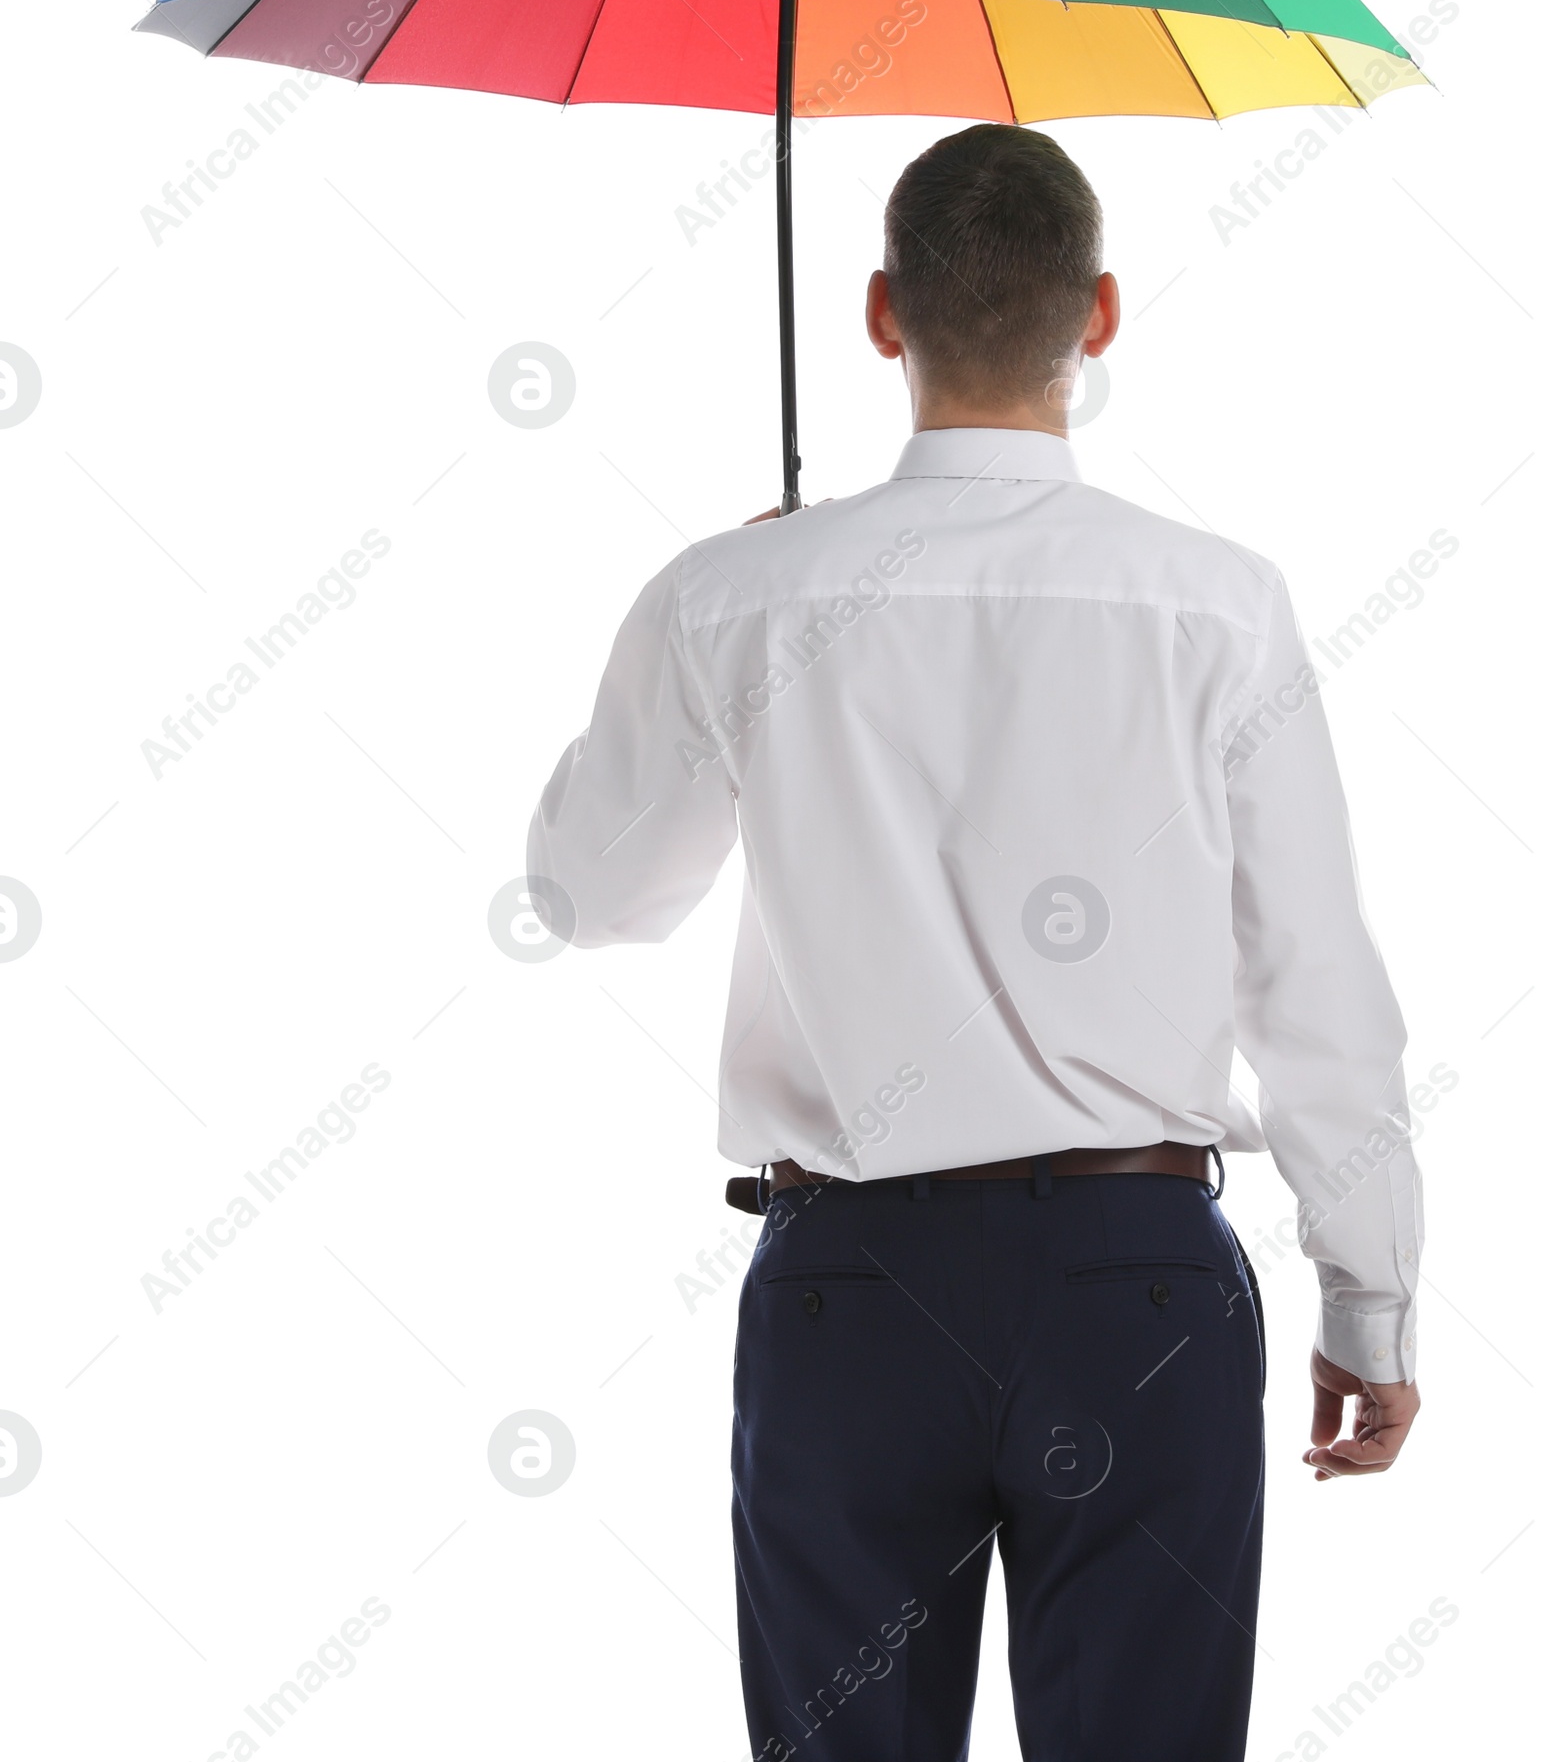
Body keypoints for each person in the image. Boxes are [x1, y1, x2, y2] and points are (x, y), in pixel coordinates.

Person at [527, 123, 1422, 1762]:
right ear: (1101, 315)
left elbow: (593, 900)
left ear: (881, 312)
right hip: (1137, 1287)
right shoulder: (1220, 601)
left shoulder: (738, 597)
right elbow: (1314, 977)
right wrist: (1372, 1302)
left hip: (850, 1294)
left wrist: (706, 621)